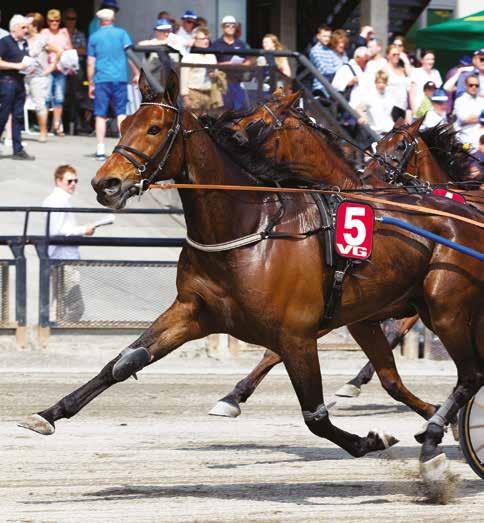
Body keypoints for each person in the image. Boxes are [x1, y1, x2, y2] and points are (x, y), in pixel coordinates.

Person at [42, 164, 95, 322]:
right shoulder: (58, 201)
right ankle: (57, 331)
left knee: (58, 303)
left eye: (75, 181)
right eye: (69, 181)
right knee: (76, 306)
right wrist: (83, 230)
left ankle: (50, 329)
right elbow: (57, 231)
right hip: (62, 259)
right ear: (58, 181)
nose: (73, 184)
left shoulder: (58, 200)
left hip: (61, 258)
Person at [87, 8, 139, 161]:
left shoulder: (94, 37)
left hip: (101, 79)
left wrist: (91, 82)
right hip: (119, 78)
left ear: (99, 21)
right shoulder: (122, 34)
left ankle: (100, 149)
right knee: (121, 112)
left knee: (100, 114)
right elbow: (130, 56)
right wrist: (136, 73)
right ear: (113, 19)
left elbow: (91, 63)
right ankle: (123, 147)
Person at [0, 14, 34, 160]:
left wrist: (30, 68)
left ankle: (18, 150)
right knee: (3, 116)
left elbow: (25, 60)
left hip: (20, 82)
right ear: (14, 28)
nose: (26, 30)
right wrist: (16, 66)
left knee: (18, 117)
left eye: (27, 27)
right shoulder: (4, 42)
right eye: (23, 27)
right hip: (7, 82)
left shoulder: (24, 43)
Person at [26, 12, 62, 143]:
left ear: (34, 25)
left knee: (40, 104)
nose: (25, 25)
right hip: (23, 75)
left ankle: (43, 131)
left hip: (39, 76)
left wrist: (51, 67)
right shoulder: (23, 38)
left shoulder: (42, 39)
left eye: (28, 23)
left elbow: (59, 50)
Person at [41, 9, 72, 136]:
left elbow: (70, 49)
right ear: (47, 21)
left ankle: (57, 125)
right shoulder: (44, 32)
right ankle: (45, 126)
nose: (54, 23)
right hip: (47, 68)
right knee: (46, 98)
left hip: (61, 69)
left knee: (59, 98)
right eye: (51, 20)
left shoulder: (64, 32)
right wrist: (56, 50)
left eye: (57, 20)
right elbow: (41, 47)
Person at [212, 15, 250, 111]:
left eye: (233, 26)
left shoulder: (241, 44)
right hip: (222, 83)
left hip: (238, 82)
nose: (231, 28)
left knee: (242, 110)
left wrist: (243, 65)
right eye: (228, 25)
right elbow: (212, 63)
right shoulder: (216, 44)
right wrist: (228, 64)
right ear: (223, 27)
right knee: (224, 112)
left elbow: (249, 60)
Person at [180, 26, 220, 114]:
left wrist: (214, 75)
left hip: (209, 95)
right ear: (195, 40)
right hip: (193, 95)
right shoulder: (188, 57)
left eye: (207, 38)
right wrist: (186, 99)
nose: (206, 41)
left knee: (207, 124)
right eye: (203, 39)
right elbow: (184, 80)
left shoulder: (211, 56)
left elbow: (216, 74)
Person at [352, 69, 394, 136]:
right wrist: (363, 117)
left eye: (384, 82)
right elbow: (358, 108)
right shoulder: (371, 95)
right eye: (379, 82)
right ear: (375, 82)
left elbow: (389, 114)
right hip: (378, 134)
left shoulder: (388, 95)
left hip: (390, 131)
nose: (381, 85)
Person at [454, 74, 484, 150]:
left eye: (476, 85)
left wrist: (474, 117)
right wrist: (481, 118)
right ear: (466, 85)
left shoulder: (481, 100)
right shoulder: (460, 101)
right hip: (467, 142)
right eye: (471, 85)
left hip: (481, 143)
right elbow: (465, 119)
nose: (474, 87)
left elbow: (471, 119)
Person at [384, 43, 411, 123]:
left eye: (398, 54)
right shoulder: (385, 69)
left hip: (403, 108)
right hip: (390, 108)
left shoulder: (403, 69)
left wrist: (405, 60)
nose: (396, 56)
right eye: (394, 54)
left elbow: (412, 79)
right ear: (388, 55)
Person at [409, 50, 442, 115]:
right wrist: (414, 110)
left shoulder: (436, 73)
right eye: (428, 59)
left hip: (433, 110)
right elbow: (412, 93)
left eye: (432, 59)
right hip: (419, 109)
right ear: (422, 60)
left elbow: (437, 92)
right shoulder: (416, 72)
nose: (430, 61)